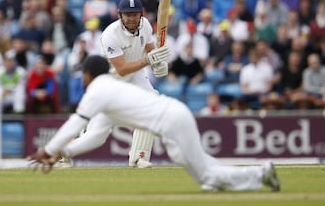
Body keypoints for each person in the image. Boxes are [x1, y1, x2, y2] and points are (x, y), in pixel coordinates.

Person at [27, 55, 280, 192]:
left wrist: (49, 151)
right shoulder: (107, 93)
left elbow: (75, 122)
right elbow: (96, 136)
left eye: (83, 74)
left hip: (173, 118)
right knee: (200, 169)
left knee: (205, 174)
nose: (82, 78)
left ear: (89, 74)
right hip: (172, 120)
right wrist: (66, 151)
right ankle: (251, 176)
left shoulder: (99, 89)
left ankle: (261, 174)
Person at [98, 0, 170, 168]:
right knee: (97, 129)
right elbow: (122, 69)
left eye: (135, 14)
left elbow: (150, 49)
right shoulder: (110, 35)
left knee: (152, 102)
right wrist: (148, 61)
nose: (131, 18)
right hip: (112, 80)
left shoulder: (145, 25)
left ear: (141, 14)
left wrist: (158, 63)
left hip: (136, 74)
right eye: (127, 15)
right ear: (120, 16)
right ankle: (62, 154)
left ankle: (139, 157)